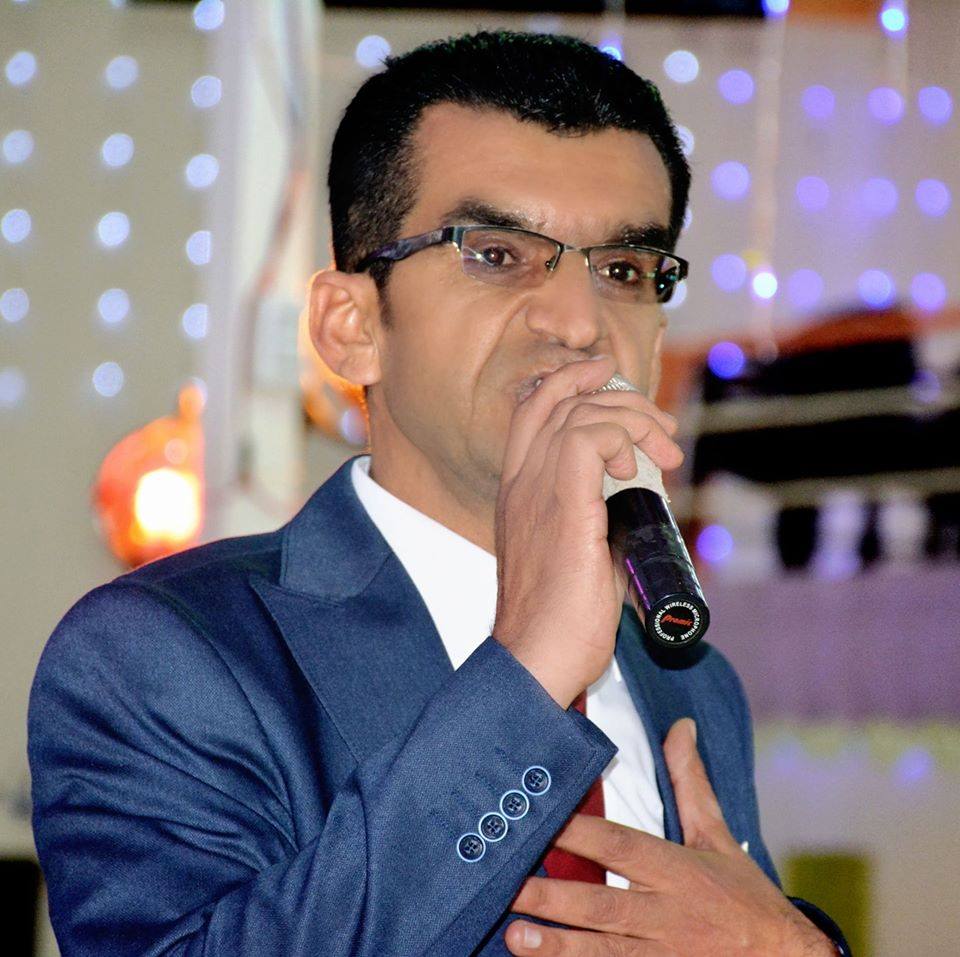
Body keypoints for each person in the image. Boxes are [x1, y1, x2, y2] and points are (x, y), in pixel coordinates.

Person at [29, 30, 849, 956]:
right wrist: (529, 671)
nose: (578, 322)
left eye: (623, 270)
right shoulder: (163, 653)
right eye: (496, 254)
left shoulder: (690, 677)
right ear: (350, 326)